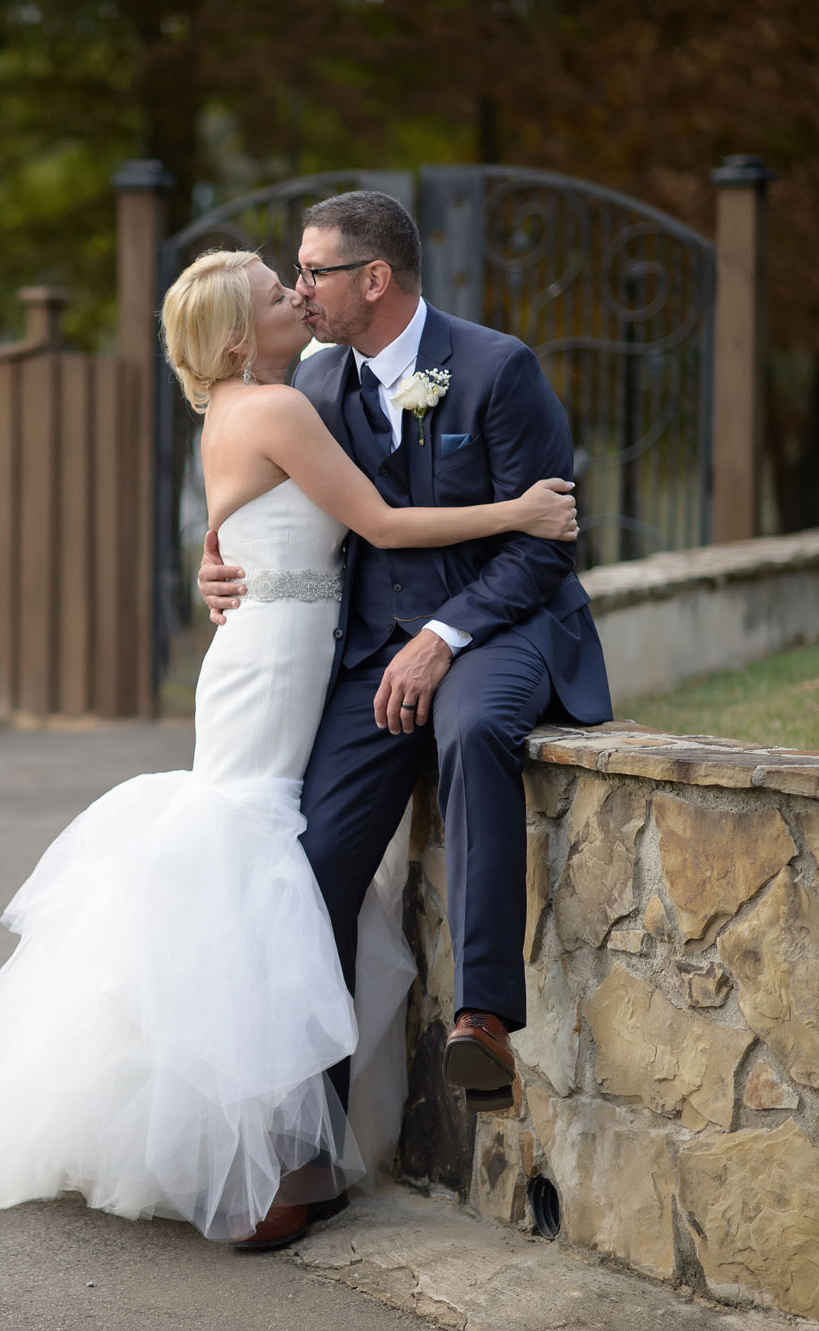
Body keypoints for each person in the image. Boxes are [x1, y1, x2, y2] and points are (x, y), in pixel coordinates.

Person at [0, 248, 579, 1251]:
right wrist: (517, 510)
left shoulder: (239, 407)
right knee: (262, 876)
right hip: (272, 664)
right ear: (233, 339)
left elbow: (236, 527)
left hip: (278, 651)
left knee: (272, 874)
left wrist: (215, 559)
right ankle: (267, 1152)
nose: (295, 294)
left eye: (300, 277)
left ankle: (286, 1149)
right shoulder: (282, 406)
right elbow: (378, 521)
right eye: (273, 291)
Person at [200, 191, 613, 1126]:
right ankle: (309, 1135)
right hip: (370, 653)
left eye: (314, 272)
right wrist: (217, 555)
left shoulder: (497, 369)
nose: (299, 289)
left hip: (500, 631)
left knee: (473, 731)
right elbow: (267, 492)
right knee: (312, 864)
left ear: (373, 278)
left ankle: (484, 1017)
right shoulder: (310, 385)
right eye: (294, 275)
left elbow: (546, 543)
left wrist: (443, 636)